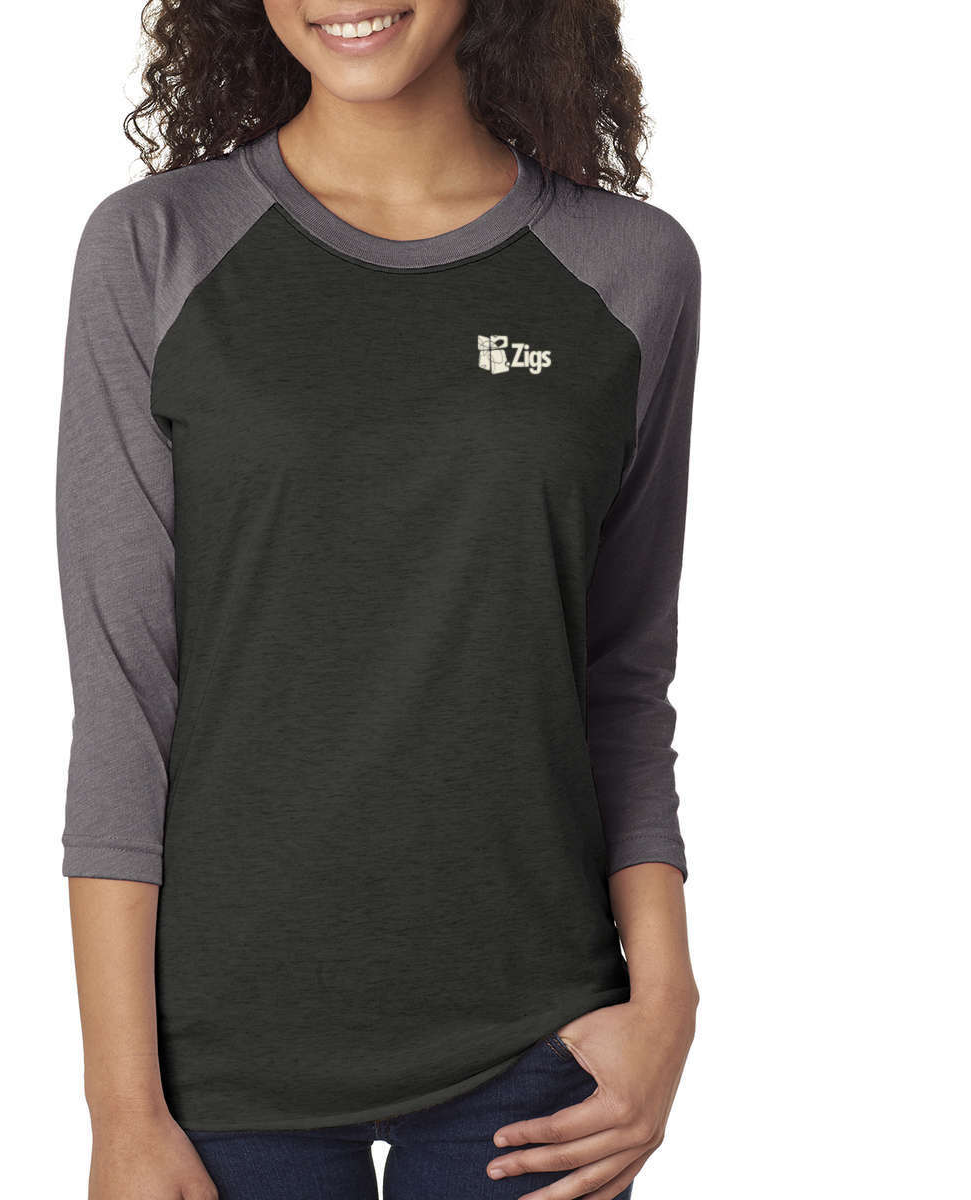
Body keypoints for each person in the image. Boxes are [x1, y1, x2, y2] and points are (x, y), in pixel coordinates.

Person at [56, 2, 700, 1197]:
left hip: (539, 1044)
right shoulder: (156, 247)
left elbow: (620, 668)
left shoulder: (631, 265)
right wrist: (121, 1107)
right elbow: (124, 697)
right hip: (219, 1059)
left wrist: (666, 999)